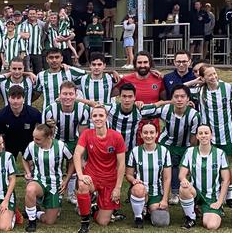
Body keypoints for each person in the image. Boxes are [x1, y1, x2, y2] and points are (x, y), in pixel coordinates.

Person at [140, 84, 200, 206]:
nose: (179, 99)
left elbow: (194, 139)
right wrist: (162, 102)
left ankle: (179, 191)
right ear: (171, 98)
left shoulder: (194, 115)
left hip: (185, 145)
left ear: (188, 99)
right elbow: (143, 111)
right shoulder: (166, 109)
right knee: (168, 165)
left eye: (182, 96)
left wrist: (191, 152)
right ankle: (162, 190)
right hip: (166, 143)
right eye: (176, 96)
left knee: (181, 168)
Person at [73, 105, 126, 233]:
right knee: (83, 185)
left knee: (103, 222)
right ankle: (85, 222)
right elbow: (77, 154)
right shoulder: (87, 134)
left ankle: (95, 208)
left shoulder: (117, 137)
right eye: (95, 116)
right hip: (93, 176)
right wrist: (80, 175)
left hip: (109, 180)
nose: (98, 118)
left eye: (101, 115)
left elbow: (121, 164)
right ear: (91, 118)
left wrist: (118, 188)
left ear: (106, 117)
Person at [42, 81, 90, 205]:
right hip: (56, 140)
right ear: (59, 95)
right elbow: (48, 135)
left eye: (70, 94)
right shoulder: (50, 109)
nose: (67, 97)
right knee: (54, 166)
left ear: (75, 95)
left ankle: (71, 193)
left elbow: (83, 135)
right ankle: (54, 193)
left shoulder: (83, 109)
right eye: (64, 94)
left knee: (75, 163)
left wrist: (80, 154)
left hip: (74, 139)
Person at [197, 65, 232, 207]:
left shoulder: (227, 87)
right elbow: (179, 88)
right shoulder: (200, 90)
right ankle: (214, 194)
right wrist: (196, 81)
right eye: (209, 75)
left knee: (227, 165)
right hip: (208, 136)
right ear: (203, 78)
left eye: (214, 73)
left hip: (227, 134)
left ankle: (229, 197)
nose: (213, 77)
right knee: (212, 166)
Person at [22, 120, 74, 232]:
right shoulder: (32, 146)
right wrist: (28, 173)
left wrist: (66, 179)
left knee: (50, 221)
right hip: (38, 181)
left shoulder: (60, 146)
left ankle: (36, 213)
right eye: (33, 137)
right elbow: (24, 159)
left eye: (38, 139)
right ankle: (32, 222)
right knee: (30, 189)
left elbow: (72, 161)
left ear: (48, 136)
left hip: (55, 185)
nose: (34, 141)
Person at [178, 124, 230, 230]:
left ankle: (203, 210)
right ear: (196, 136)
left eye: (206, 133)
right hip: (195, 193)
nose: (203, 136)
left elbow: (226, 180)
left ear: (211, 135)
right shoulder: (190, 152)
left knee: (211, 225)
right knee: (183, 187)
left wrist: (219, 202)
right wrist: (183, 180)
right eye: (200, 133)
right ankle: (190, 218)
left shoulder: (220, 154)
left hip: (212, 197)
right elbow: (182, 174)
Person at [113, 51, 165, 145]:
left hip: (152, 125)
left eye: (145, 62)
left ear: (150, 63)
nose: (142, 65)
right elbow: (110, 93)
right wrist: (110, 72)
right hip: (133, 125)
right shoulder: (126, 79)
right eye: (139, 62)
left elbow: (166, 99)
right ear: (135, 64)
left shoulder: (158, 79)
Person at [126, 122, 172, 228]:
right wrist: (134, 181)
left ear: (157, 134)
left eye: (152, 132)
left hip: (156, 192)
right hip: (140, 190)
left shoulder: (164, 151)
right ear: (141, 135)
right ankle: (138, 217)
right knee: (139, 189)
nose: (148, 135)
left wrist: (165, 199)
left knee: (161, 222)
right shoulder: (135, 151)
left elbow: (167, 178)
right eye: (145, 133)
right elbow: (128, 174)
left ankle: (147, 209)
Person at [0, 85, 42, 158]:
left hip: (28, 142)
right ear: (8, 98)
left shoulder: (34, 113)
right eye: (13, 98)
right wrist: (2, 149)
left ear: (24, 98)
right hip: (10, 143)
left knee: (31, 164)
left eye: (19, 98)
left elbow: (40, 131)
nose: (15, 101)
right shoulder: (1, 115)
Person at [18, 7, 45, 74]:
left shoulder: (42, 24)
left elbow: (45, 34)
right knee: (26, 72)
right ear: (28, 14)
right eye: (30, 14)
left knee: (38, 72)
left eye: (34, 14)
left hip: (38, 52)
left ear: (36, 14)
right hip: (26, 52)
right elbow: (18, 34)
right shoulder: (23, 24)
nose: (32, 15)